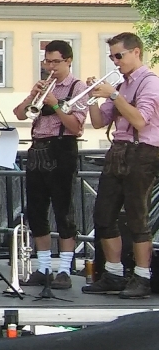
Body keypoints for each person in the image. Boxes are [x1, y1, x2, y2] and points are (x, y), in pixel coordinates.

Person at [83, 32, 159, 299]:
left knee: (138, 217)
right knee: (103, 215)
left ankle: (142, 277)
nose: (115, 62)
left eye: (119, 56)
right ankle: (114, 273)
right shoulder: (122, 85)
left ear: (136, 52)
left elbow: (139, 120)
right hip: (118, 151)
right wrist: (92, 99)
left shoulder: (150, 83)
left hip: (143, 152)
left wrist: (114, 95)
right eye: (112, 57)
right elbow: (98, 122)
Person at [12, 40, 87, 289]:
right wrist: (33, 95)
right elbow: (19, 114)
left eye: (56, 62)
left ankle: (64, 269)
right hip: (38, 148)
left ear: (68, 61)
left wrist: (54, 103)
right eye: (47, 62)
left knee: (63, 210)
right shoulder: (44, 85)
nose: (51, 67)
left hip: (62, 148)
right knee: (36, 210)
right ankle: (43, 267)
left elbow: (76, 127)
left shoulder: (77, 87)